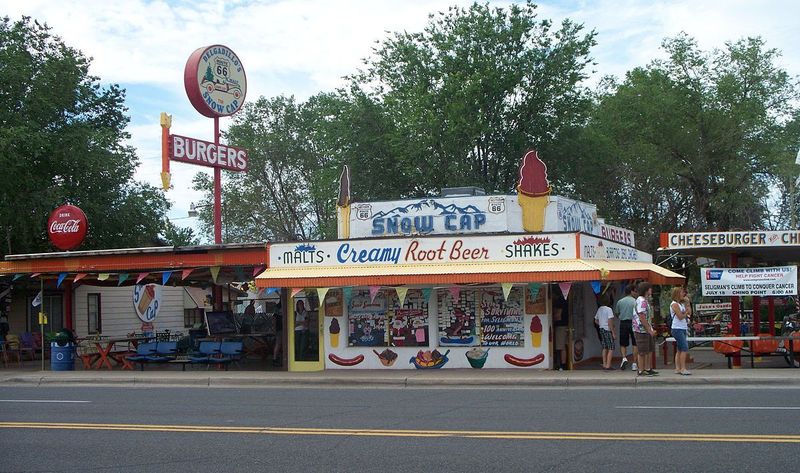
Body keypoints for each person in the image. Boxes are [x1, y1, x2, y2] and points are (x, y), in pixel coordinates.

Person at [633, 281, 658, 376]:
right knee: (642, 351)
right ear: (646, 290)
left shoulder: (644, 300)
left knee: (649, 349)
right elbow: (642, 316)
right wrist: (649, 330)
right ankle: (641, 369)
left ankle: (647, 367)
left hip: (645, 329)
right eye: (649, 288)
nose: (651, 290)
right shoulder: (642, 301)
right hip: (641, 329)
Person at [614, 284, 639, 371]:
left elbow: (617, 313)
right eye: (635, 291)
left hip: (623, 323)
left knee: (623, 343)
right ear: (631, 291)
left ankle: (624, 358)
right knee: (635, 343)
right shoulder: (635, 302)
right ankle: (635, 363)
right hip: (634, 323)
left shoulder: (620, 302)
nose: (636, 293)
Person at [670, 286, 692, 375]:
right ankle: (683, 368)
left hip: (682, 327)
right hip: (677, 328)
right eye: (682, 292)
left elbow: (690, 312)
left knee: (679, 349)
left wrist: (687, 303)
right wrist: (685, 313)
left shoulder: (681, 304)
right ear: (678, 294)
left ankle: (678, 368)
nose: (684, 294)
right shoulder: (674, 304)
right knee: (684, 347)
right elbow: (680, 316)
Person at [594, 295, 615, 371]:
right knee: (611, 347)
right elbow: (610, 321)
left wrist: (601, 324)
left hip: (601, 329)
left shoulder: (599, 309)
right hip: (607, 329)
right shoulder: (609, 309)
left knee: (604, 347)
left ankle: (604, 363)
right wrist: (613, 332)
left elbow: (595, 320)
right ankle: (608, 365)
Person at [552, 290, 569, 370]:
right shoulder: (565, 301)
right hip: (565, 326)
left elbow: (558, 315)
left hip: (560, 326)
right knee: (564, 346)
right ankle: (564, 364)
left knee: (560, 347)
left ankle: (561, 365)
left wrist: (551, 318)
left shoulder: (559, 302)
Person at [272, 302, 283, 367]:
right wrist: (274, 329)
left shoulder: (282, 306)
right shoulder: (278, 307)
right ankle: (275, 358)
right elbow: (274, 319)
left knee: (280, 344)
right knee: (278, 344)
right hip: (279, 329)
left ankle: (277, 358)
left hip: (281, 328)